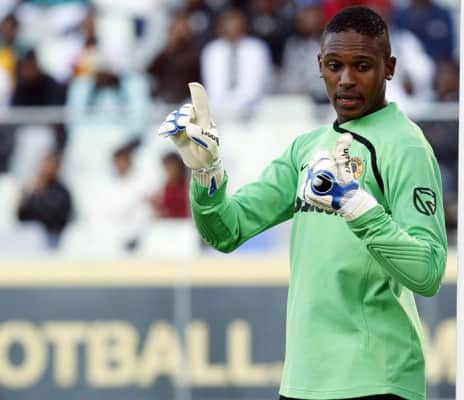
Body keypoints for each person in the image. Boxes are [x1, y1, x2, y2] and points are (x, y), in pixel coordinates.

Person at [158, 6, 447, 400]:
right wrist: (206, 172)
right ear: (320, 66)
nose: (346, 79)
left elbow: (428, 272)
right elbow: (226, 231)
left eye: (362, 66)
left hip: (377, 377)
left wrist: (357, 207)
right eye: (334, 66)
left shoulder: (405, 146)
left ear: (389, 67)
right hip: (304, 380)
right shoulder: (308, 147)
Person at [17, 150, 72, 248]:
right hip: (30, 235)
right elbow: (22, 217)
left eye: (50, 164)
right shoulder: (33, 189)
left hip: (51, 236)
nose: (46, 167)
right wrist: (23, 200)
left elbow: (54, 218)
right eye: (45, 163)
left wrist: (39, 194)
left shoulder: (61, 191)